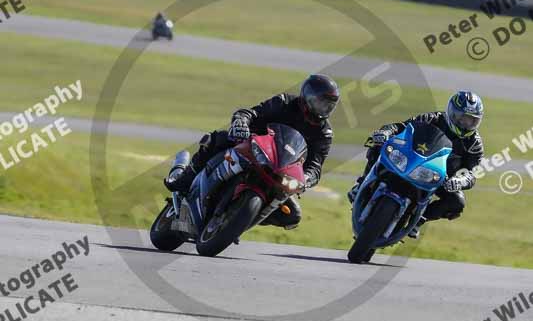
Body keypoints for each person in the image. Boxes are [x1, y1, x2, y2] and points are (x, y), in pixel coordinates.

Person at [165, 74, 340, 229]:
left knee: (292, 216)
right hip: (253, 145)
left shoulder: (324, 133)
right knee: (216, 139)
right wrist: (241, 122)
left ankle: (235, 219)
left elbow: (316, 166)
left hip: (280, 171)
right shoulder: (285, 102)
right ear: (308, 96)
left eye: (329, 105)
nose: (324, 108)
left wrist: (306, 179)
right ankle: (186, 176)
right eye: (320, 102)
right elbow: (252, 112)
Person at [349, 91, 484, 238]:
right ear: (452, 113)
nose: (466, 124)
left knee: (457, 202)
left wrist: (459, 181)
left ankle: (419, 220)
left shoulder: (474, 144)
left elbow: (472, 173)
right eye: (463, 118)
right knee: (380, 146)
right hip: (411, 161)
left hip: (438, 177)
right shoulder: (431, 118)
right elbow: (401, 126)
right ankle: (362, 183)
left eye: (472, 120)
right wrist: (386, 132)